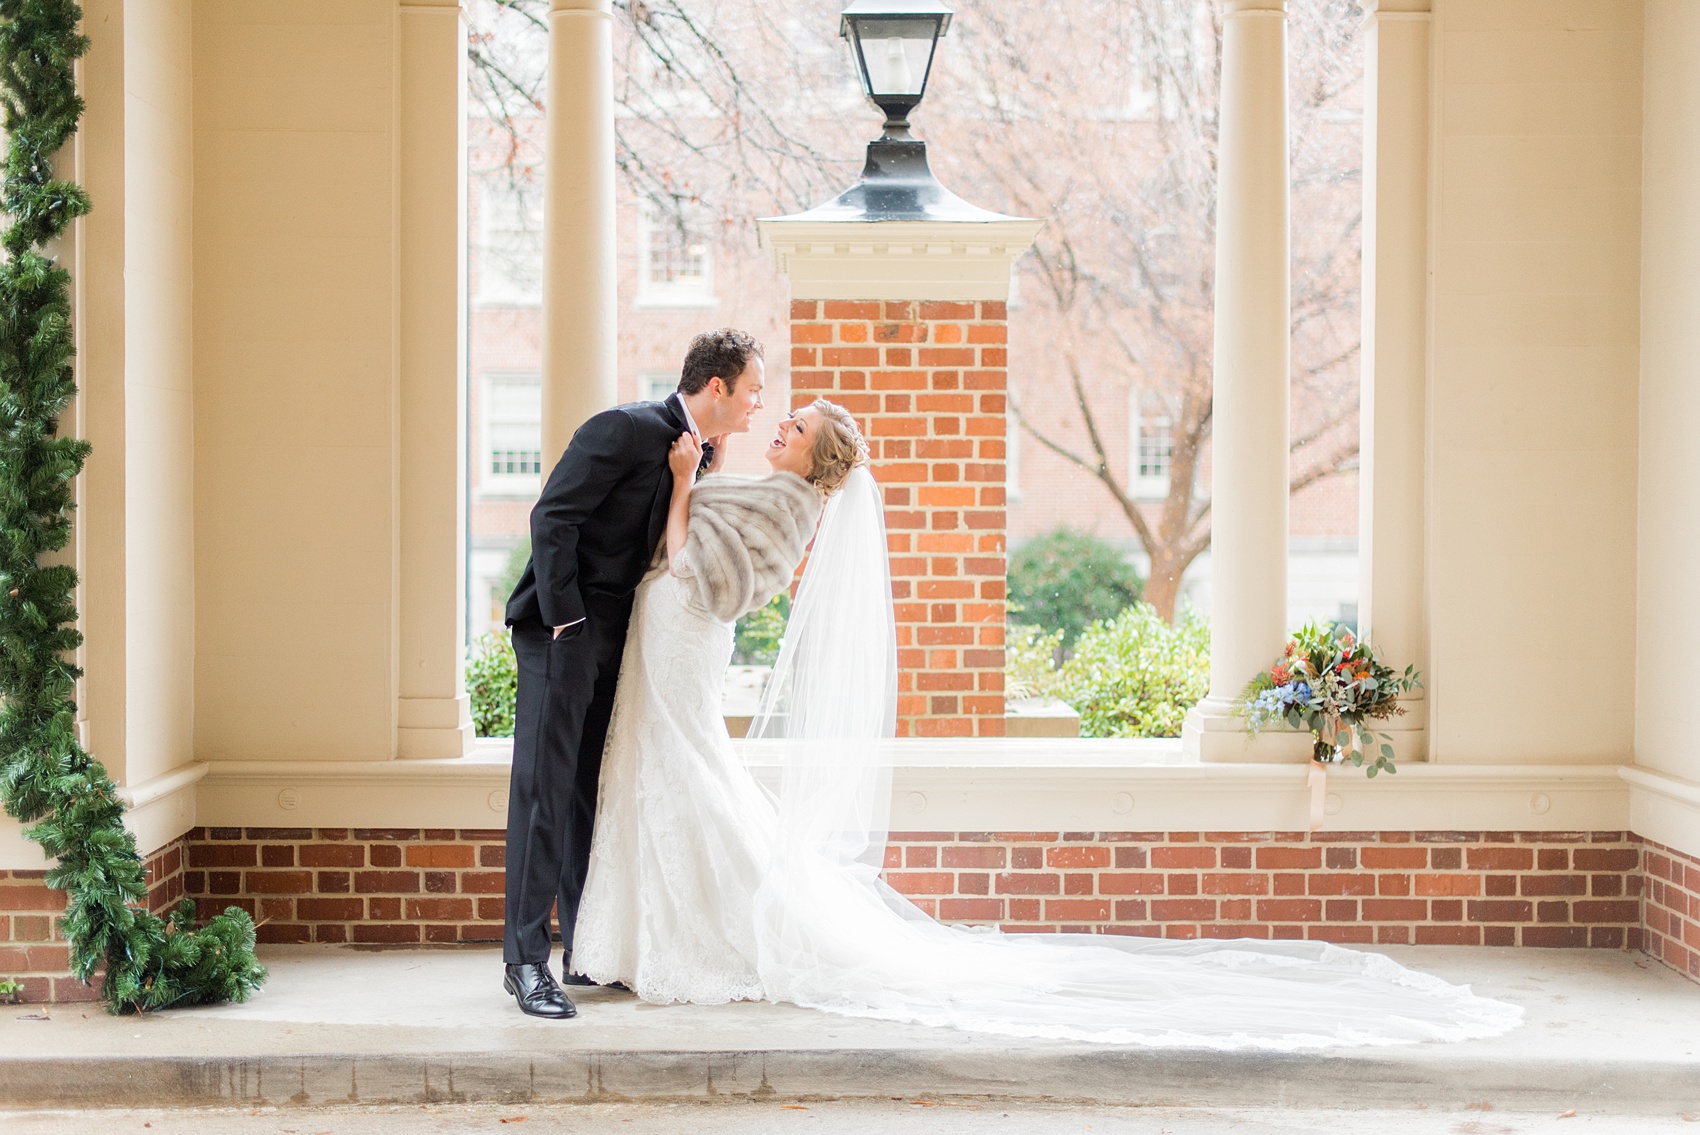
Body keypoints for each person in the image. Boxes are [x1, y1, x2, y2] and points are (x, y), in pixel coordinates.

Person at [571, 400, 1524, 1050]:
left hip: (686, 643)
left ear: (815, 457)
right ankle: (649, 935)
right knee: (680, 777)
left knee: (691, 780)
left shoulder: (788, 501)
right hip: (670, 643)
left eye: (797, 424)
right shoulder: (781, 487)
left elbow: (711, 572)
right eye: (786, 415)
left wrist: (686, 485)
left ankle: (708, 932)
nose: (780, 424)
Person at [499, 329, 766, 1020]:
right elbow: (552, 516)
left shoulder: (696, 455)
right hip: (566, 635)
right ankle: (524, 961)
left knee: (591, 789)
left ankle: (586, 949)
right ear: (717, 388)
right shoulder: (622, 427)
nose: (756, 405)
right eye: (752, 391)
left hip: (623, 643)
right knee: (546, 790)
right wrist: (565, 621)